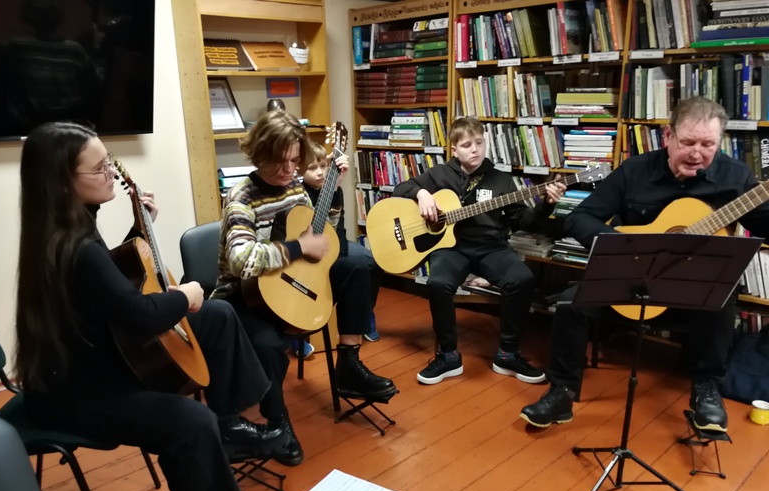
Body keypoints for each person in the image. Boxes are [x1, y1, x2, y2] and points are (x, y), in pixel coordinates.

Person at [15, 121, 279, 491]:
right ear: (62, 182)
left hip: (95, 359)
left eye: (108, 163)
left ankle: (230, 425)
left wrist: (140, 228)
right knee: (189, 422)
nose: (111, 174)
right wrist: (187, 293)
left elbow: (109, 281)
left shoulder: (67, 224)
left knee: (217, 316)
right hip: (74, 393)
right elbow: (138, 314)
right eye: (99, 168)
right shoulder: (72, 246)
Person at [519, 96, 769, 433]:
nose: (697, 154)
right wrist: (622, 249)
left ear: (719, 141)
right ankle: (561, 391)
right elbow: (579, 218)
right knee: (569, 303)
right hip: (632, 284)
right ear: (668, 136)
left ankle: (706, 389)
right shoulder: (635, 170)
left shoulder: (735, 177)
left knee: (722, 301)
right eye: (688, 142)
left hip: (690, 291)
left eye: (708, 144)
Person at [211, 110, 397, 466]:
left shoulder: (296, 187)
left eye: (294, 161)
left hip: (289, 283)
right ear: (258, 154)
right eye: (279, 162)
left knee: (359, 266)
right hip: (244, 296)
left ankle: (348, 363)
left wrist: (334, 191)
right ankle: (277, 422)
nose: (287, 170)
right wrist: (297, 248)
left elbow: (321, 236)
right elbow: (241, 260)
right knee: (268, 344)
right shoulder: (241, 197)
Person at [392, 116, 565, 385]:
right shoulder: (439, 174)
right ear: (454, 149)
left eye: (479, 143)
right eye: (466, 145)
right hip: (451, 248)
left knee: (522, 279)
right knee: (438, 283)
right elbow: (400, 188)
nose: (475, 149)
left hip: (491, 247)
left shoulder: (501, 180)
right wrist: (421, 193)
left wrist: (546, 205)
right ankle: (448, 356)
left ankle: (508, 355)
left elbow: (524, 221)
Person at [301, 140, 383, 342]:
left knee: (371, 261)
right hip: (308, 248)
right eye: (312, 168)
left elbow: (337, 229)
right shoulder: (298, 193)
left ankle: (366, 311)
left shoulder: (334, 188)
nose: (320, 173)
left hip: (336, 243)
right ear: (299, 169)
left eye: (323, 166)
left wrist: (334, 187)